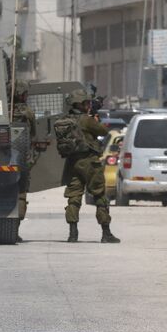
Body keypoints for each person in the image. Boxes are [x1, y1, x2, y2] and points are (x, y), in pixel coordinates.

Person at [57, 89, 120, 244]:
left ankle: (72, 234)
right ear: (82, 104)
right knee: (99, 195)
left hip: (72, 163)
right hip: (90, 162)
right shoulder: (86, 120)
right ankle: (106, 233)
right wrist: (95, 119)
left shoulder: (66, 119)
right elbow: (103, 131)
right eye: (87, 103)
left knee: (74, 197)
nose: (88, 105)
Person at [10, 80, 36, 242]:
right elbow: (32, 132)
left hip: (1, 157)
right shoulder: (28, 112)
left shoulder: (3, 108)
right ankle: (15, 229)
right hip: (22, 158)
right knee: (21, 193)